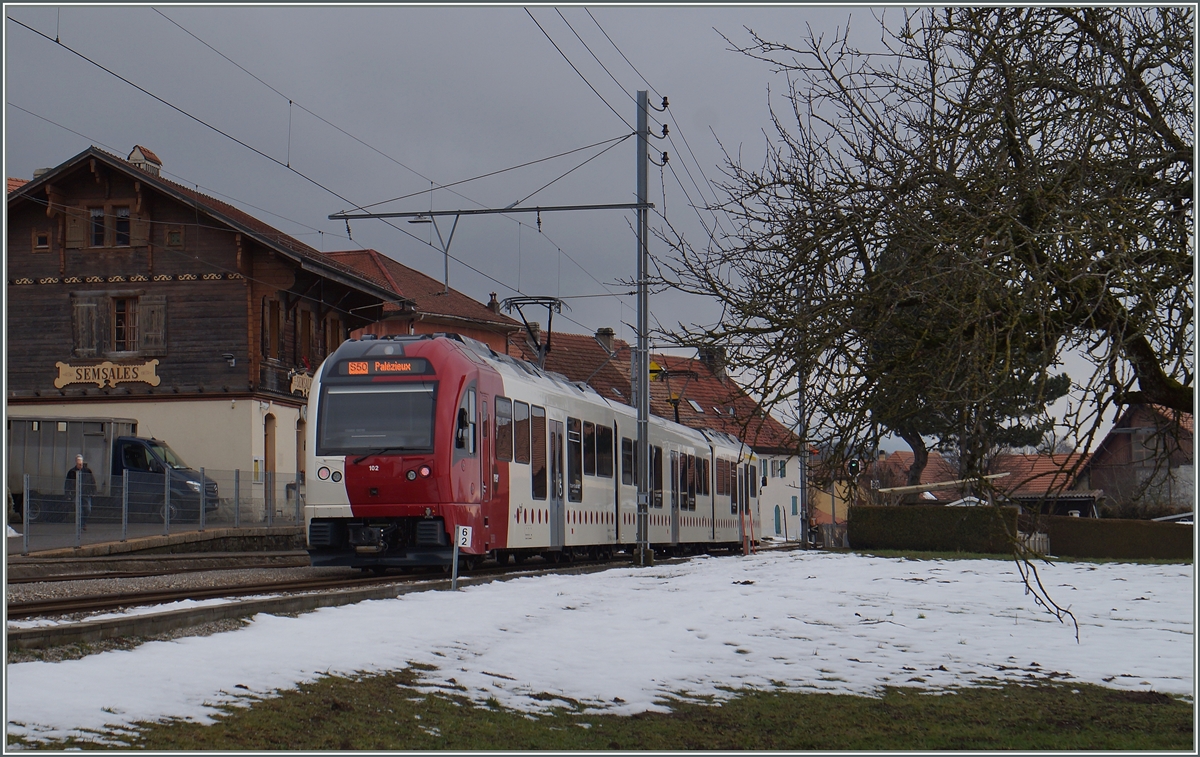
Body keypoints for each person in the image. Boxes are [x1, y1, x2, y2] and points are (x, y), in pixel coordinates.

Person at [65, 454, 96, 530]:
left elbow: (92, 481)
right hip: (76, 494)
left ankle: (83, 522)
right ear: (76, 462)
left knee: (88, 509)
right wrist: (68, 494)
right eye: (79, 463)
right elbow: (67, 483)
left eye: (81, 463)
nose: (80, 465)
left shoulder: (88, 471)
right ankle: (80, 525)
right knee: (79, 510)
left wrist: (94, 491)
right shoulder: (71, 472)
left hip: (86, 493)